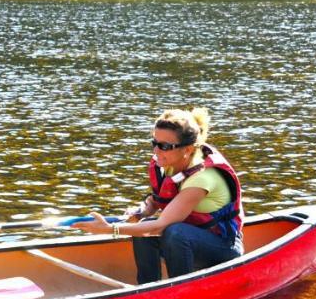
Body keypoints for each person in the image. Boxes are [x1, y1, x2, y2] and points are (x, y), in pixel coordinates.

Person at [73, 107, 244, 284]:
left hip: (223, 249)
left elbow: (159, 227)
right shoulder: (170, 162)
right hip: (190, 242)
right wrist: (143, 211)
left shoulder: (202, 178)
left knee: (174, 232)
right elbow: (159, 198)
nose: (156, 150)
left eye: (165, 146)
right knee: (145, 227)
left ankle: (182, 290)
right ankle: (147, 287)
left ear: (187, 149)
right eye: (154, 143)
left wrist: (110, 229)